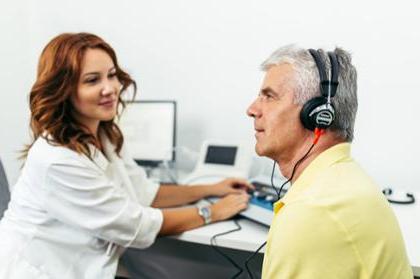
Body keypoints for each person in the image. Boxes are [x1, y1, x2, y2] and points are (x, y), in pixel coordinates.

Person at [0, 32, 252, 279]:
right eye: (92, 80)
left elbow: (143, 192)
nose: (109, 88)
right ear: (63, 89)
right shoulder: (56, 159)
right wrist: (212, 212)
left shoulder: (105, 136)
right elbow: (135, 225)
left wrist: (210, 188)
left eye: (111, 75)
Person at [246, 45, 413, 278]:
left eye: (269, 96)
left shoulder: (312, 212)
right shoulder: (344, 180)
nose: (252, 109)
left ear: (317, 115)